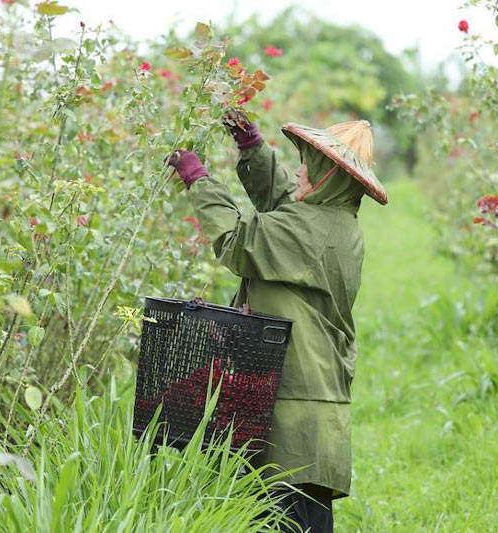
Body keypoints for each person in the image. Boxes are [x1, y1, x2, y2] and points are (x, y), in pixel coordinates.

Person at [166, 113, 388, 533]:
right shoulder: (334, 218)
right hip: (304, 399)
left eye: (309, 163)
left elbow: (236, 240)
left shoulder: (309, 230)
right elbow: (288, 197)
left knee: (285, 519)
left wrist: (199, 180)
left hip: (295, 409)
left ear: (328, 177)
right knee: (295, 518)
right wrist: (252, 150)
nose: (300, 169)